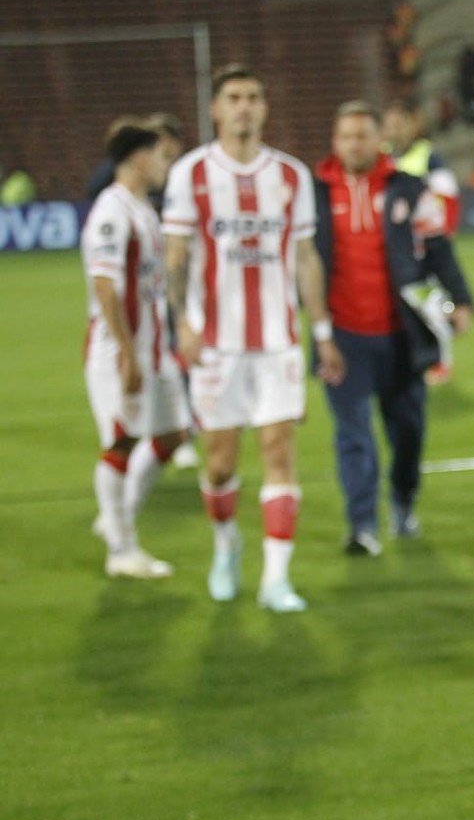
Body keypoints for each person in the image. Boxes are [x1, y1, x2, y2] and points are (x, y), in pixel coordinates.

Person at [163, 64, 346, 612]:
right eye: (234, 98)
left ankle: (276, 578)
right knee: (219, 463)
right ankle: (226, 546)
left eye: (254, 98)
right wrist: (182, 321)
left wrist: (323, 331)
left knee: (277, 450)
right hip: (216, 344)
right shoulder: (190, 174)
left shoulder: (290, 177)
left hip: (277, 343)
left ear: (265, 108)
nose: (244, 107)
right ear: (217, 109)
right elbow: (173, 258)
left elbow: (307, 258)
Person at [315, 102, 474, 556]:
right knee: (354, 435)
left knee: (408, 432)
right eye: (346, 136)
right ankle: (362, 523)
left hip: (402, 334)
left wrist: (461, 299)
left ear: (377, 140)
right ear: (335, 142)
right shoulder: (316, 193)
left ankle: (403, 501)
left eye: (362, 136)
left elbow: (439, 246)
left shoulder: (408, 188)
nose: (354, 144)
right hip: (342, 337)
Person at [81, 119, 189, 579]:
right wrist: (127, 353)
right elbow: (105, 287)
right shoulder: (112, 212)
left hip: (155, 346)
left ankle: (116, 516)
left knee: (171, 434)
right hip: (120, 349)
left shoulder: (141, 207)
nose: (166, 165)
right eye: (162, 156)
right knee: (122, 440)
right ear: (140, 157)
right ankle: (121, 549)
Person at [383, 98, 462, 383]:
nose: (393, 131)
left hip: (425, 246)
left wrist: (445, 233)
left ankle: (441, 359)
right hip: (398, 249)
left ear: (412, 125)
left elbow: (448, 197)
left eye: (399, 124)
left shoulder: (427, 156)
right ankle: (424, 356)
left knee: (430, 303)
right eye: (389, 125)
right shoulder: (384, 159)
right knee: (412, 304)